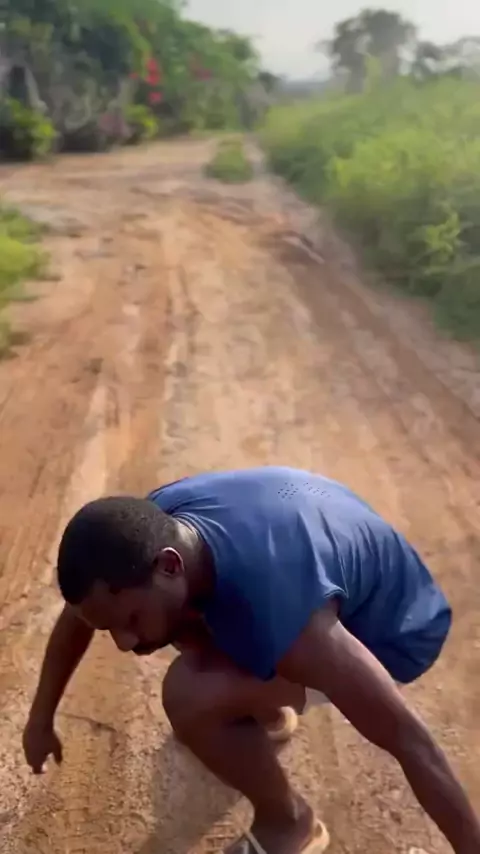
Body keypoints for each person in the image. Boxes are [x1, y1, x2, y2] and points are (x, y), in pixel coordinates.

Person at [23, 466, 480, 854]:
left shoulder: (292, 621)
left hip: (397, 632)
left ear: (170, 565)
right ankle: (260, 712)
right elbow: (84, 611)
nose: (124, 644)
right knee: (179, 623)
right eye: (111, 627)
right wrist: (40, 717)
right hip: (328, 545)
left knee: (189, 695)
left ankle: (290, 823)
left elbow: (409, 739)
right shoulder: (152, 530)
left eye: (130, 621)